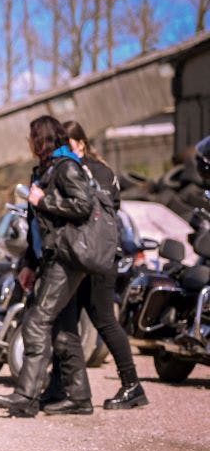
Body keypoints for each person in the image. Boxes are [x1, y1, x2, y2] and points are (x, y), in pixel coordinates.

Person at [0, 115, 94, 417]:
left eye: (31, 136)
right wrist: (29, 263)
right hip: (49, 259)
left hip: (65, 259)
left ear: (41, 139)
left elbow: (83, 206)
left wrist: (45, 200)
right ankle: (78, 398)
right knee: (62, 329)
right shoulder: (44, 171)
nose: (28, 143)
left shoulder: (66, 167)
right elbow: (36, 226)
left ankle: (25, 397)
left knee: (36, 322)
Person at [63, 120, 148, 410]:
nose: (63, 150)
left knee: (102, 319)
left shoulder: (79, 171)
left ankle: (131, 385)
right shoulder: (106, 172)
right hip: (103, 254)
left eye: (67, 144)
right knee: (89, 317)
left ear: (80, 144)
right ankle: (75, 388)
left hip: (92, 256)